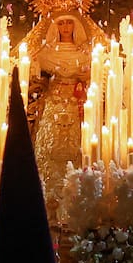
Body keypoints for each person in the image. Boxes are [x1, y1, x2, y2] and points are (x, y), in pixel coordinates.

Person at [30, 12, 96, 214]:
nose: (66, 27)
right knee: (50, 145)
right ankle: (47, 193)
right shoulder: (46, 52)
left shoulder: (85, 52)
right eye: (61, 23)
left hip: (76, 103)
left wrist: (86, 76)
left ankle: (75, 192)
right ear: (55, 27)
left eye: (69, 23)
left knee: (75, 146)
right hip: (53, 101)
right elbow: (35, 71)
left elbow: (92, 72)